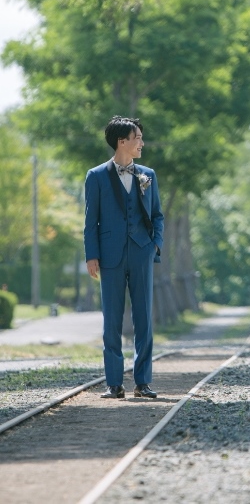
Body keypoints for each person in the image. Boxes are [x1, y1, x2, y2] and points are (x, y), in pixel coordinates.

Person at [84, 116, 164, 399]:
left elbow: (157, 215)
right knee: (112, 322)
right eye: (137, 137)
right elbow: (90, 220)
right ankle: (114, 384)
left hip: (142, 252)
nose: (141, 143)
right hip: (110, 256)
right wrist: (91, 255)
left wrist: (155, 245)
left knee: (144, 319)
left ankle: (142, 383)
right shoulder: (96, 176)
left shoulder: (148, 175)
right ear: (122, 141)